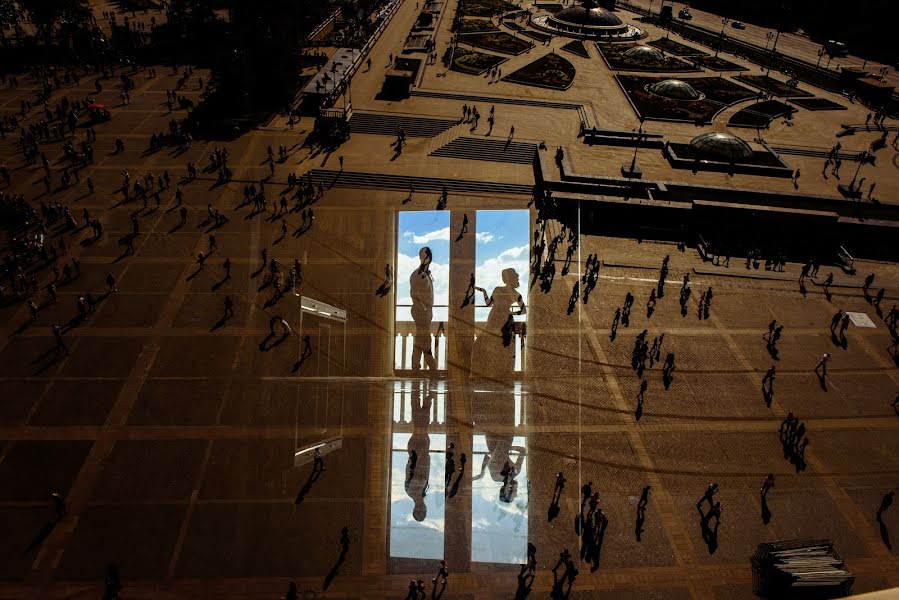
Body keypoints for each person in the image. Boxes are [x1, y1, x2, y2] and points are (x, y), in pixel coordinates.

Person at [410, 247, 438, 377]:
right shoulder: (418, 273)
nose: (427, 257)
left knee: (420, 340)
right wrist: (423, 307)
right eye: (424, 255)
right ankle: (433, 370)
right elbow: (413, 292)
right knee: (425, 340)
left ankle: (416, 370)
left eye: (427, 255)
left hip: (426, 311)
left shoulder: (427, 273)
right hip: (421, 311)